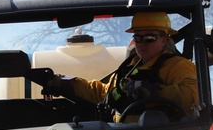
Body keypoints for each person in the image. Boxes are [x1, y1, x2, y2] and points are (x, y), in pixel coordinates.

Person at [44, 12, 198, 120]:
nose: (142, 43)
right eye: (137, 38)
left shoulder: (178, 66)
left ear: (164, 40)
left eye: (150, 38)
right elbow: (104, 93)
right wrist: (66, 84)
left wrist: (153, 91)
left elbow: (193, 96)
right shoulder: (129, 67)